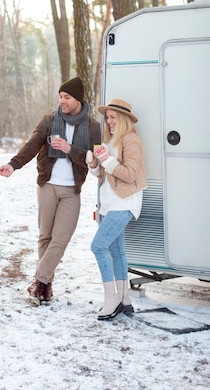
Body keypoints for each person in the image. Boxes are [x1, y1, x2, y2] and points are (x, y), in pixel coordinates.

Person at [0, 76, 101, 305]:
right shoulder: (49, 120)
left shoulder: (93, 127)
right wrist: (13, 165)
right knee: (45, 236)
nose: (62, 101)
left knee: (61, 238)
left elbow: (93, 161)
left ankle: (39, 280)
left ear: (78, 100)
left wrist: (69, 148)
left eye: (67, 97)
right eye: (61, 97)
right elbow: (32, 145)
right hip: (48, 185)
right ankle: (45, 287)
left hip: (72, 190)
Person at [87, 98, 147, 321]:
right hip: (110, 204)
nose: (109, 121)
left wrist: (107, 160)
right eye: (107, 117)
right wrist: (94, 166)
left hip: (124, 203)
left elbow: (130, 174)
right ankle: (124, 300)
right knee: (116, 252)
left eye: (113, 117)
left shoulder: (131, 140)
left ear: (123, 119)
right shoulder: (110, 141)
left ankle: (111, 298)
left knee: (98, 246)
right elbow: (107, 174)